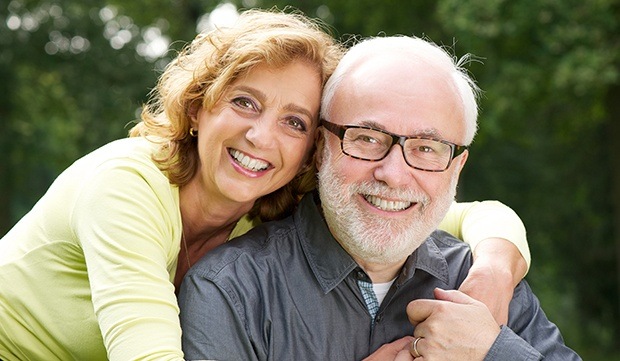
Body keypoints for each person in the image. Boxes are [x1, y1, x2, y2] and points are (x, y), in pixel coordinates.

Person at [0, 8, 528, 361]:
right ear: (199, 106)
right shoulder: (125, 186)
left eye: (294, 122)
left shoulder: (268, 199)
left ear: (313, 147)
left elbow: (454, 210)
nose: (260, 137)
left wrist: (494, 275)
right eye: (245, 102)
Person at [178, 35, 581, 361]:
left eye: (427, 147)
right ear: (320, 148)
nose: (393, 174)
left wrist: (493, 352)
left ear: (456, 168)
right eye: (367, 139)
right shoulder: (230, 291)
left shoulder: (483, 283)